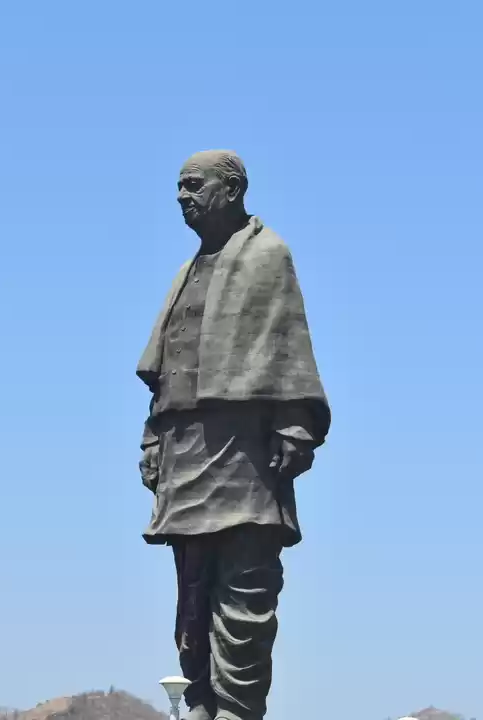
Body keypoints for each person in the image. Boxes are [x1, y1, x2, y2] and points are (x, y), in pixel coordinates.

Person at [136, 150, 331, 720]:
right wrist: (153, 441)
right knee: (192, 594)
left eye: (193, 186)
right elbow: (163, 372)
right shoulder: (184, 273)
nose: (182, 197)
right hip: (185, 452)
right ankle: (199, 699)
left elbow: (287, 341)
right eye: (178, 187)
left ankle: (239, 707)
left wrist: (295, 422)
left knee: (244, 591)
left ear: (233, 189)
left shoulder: (269, 256)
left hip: (245, 452)